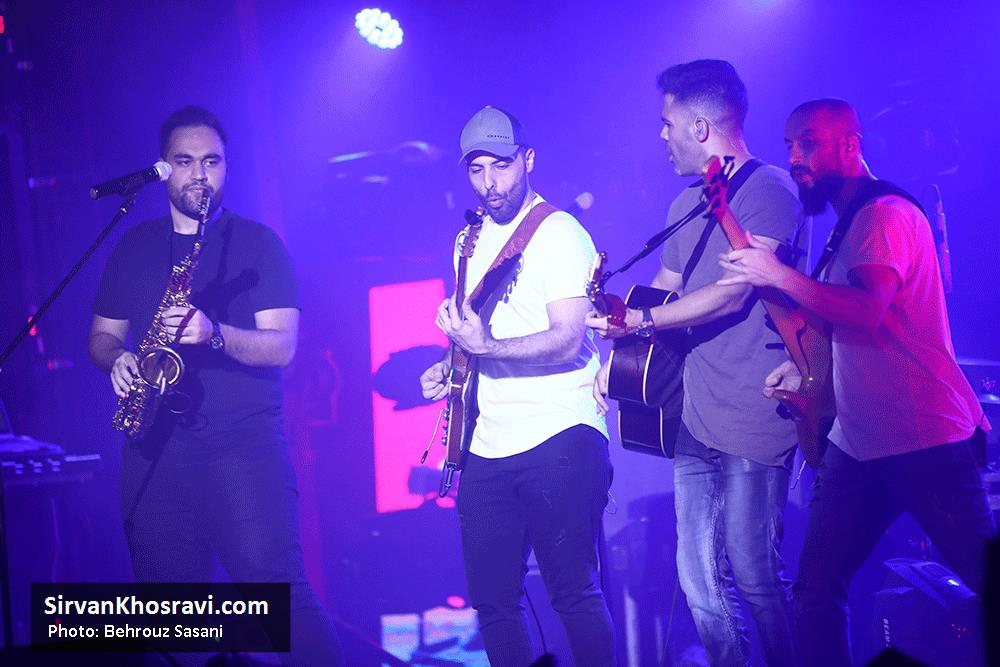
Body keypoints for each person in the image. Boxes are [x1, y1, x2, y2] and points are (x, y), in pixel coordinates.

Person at [719, 97, 996, 666]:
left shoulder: (883, 215)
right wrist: (807, 368)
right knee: (815, 593)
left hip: (924, 439)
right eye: (790, 144)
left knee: (986, 580)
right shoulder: (847, 223)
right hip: (861, 444)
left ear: (851, 145)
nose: (795, 157)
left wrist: (778, 274)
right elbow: (847, 326)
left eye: (809, 143)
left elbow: (868, 310)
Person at [88, 105, 343, 665]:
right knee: (168, 619)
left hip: (241, 449)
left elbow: (283, 347)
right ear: (163, 168)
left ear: (226, 167)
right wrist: (118, 360)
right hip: (153, 450)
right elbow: (102, 337)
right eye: (185, 162)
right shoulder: (133, 245)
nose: (200, 174)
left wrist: (214, 334)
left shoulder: (258, 243)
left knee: (279, 595)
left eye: (212, 162)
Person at [587, 60, 802, 666]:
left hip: (755, 412)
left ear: (701, 127)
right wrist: (618, 357)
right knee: (700, 584)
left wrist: (642, 321)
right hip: (695, 418)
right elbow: (665, 290)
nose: (661, 135)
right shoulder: (686, 202)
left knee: (756, 575)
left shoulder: (770, 189)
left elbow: (734, 292)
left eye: (667, 123)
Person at [419, 105, 615, 666]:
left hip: (561, 430)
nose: (490, 183)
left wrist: (485, 348)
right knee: (493, 603)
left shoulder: (559, 233)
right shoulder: (467, 240)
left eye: (501, 166)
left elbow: (566, 339)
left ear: (527, 160)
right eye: (477, 169)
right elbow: (480, 330)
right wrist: (450, 362)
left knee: (573, 592)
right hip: (487, 443)